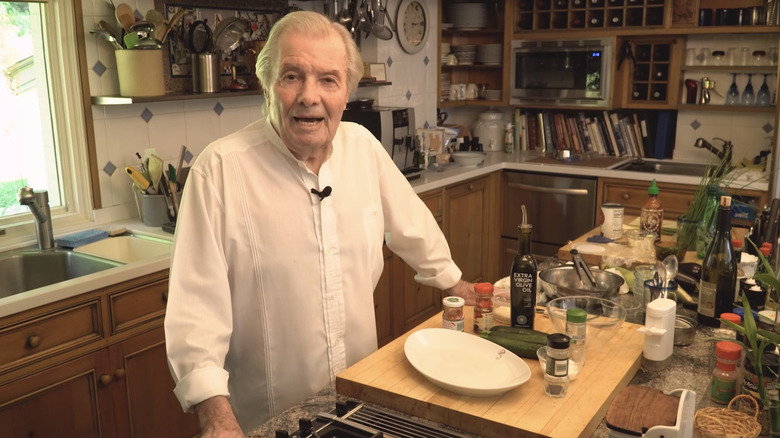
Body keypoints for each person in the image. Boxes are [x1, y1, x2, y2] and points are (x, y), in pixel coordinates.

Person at [164, 10, 474, 437]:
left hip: (361, 403)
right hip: (270, 417)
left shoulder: (362, 148)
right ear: (268, 85)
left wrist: (457, 286)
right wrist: (216, 418)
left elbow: (414, 226)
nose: (310, 96)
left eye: (328, 80)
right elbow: (195, 312)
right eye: (292, 76)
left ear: (346, 92)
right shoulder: (217, 171)